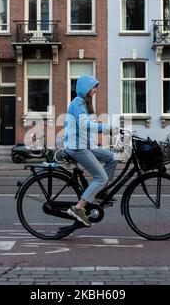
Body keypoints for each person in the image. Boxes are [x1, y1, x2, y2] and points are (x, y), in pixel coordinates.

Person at [64, 75, 117, 227]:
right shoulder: (78, 102)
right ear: (85, 88)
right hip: (78, 147)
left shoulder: (86, 103)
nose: (95, 90)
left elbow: (91, 124)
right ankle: (78, 208)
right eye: (93, 87)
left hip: (86, 145)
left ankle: (100, 192)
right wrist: (109, 129)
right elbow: (84, 125)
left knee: (112, 158)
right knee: (101, 177)